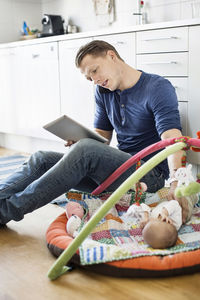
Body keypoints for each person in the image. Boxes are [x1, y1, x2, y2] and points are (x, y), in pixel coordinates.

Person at [0, 40, 188, 225]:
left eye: (95, 71)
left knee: (86, 150)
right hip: (116, 171)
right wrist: (80, 141)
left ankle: (6, 211)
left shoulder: (157, 88)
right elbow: (102, 138)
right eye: (89, 78)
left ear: (111, 56)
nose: (95, 80)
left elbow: (171, 138)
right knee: (41, 158)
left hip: (147, 176)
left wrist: (175, 182)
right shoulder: (103, 91)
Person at [126, 194, 198, 248]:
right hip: (184, 206)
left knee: (164, 194)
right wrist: (164, 213)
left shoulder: (150, 219)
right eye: (150, 223)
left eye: (145, 227)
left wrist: (145, 216)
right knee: (188, 195)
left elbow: (142, 205)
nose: (149, 221)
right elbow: (175, 203)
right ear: (167, 222)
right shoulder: (175, 222)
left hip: (163, 201)